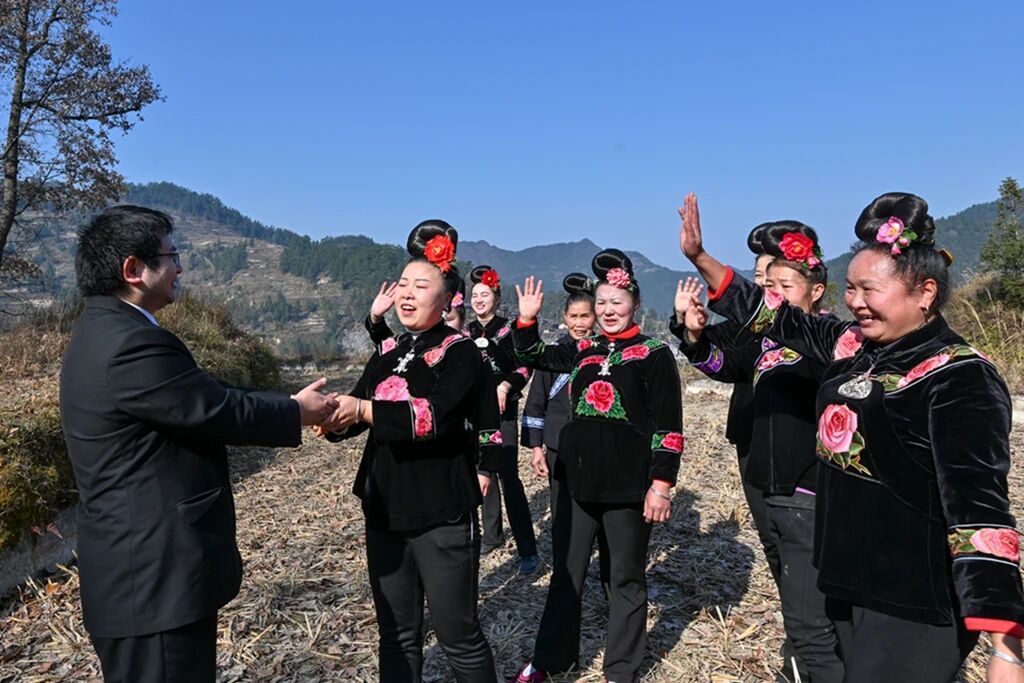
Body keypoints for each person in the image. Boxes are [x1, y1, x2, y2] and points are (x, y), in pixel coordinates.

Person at [679, 191, 1024, 682]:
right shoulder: (854, 346)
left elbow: (979, 506)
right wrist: (700, 257)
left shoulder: (958, 376)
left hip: (913, 597)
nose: (855, 302)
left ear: (925, 293)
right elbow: (774, 315)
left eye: (870, 290)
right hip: (847, 578)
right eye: (851, 288)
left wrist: (1006, 646)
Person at [59, 206, 338, 683]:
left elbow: (201, 393)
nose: (181, 267)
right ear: (133, 269)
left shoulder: (106, 329)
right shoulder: (129, 344)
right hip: (153, 578)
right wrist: (297, 413)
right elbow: (214, 410)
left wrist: (290, 403)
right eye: (172, 256)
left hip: (138, 574)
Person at [317, 220, 498, 683]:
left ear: (448, 298)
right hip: (384, 507)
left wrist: (363, 409)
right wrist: (330, 418)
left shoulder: (461, 353)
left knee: (458, 635)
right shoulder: (389, 350)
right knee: (396, 634)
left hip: (441, 509)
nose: (407, 294)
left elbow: (433, 417)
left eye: (421, 285)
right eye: (403, 284)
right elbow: (359, 408)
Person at [675, 222, 844, 682]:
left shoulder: (831, 337)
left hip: (808, 478)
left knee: (811, 572)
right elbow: (724, 364)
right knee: (779, 553)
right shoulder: (765, 340)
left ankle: (814, 647)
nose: (774, 294)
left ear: (816, 291)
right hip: (764, 466)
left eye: (784, 286)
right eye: (769, 286)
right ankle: (800, 638)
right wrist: (695, 338)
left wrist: (702, 258)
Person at [511, 249, 683, 683]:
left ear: (635, 304)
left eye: (616, 302)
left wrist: (661, 485)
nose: (607, 310)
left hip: (628, 485)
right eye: (601, 302)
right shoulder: (582, 350)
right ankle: (552, 659)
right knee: (567, 573)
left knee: (625, 576)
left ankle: (620, 669)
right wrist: (526, 320)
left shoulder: (654, 354)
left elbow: (669, 427)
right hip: (576, 482)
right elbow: (534, 355)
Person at [521, 273, 609, 595]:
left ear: (595, 317)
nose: (579, 323)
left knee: (599, 513)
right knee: (562, 512)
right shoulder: (554, 353)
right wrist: (536, 449)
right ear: (564, 317)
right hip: (558, 447)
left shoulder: (606, 352)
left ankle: (603, 575)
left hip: (598, 448)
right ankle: (565, 572)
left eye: (585, 316)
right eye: (574, 316)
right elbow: (536, 403)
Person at [467, 265, 540, 573]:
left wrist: (506, 385)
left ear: (496, 298)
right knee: (482, 473)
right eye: (474, 295)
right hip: (474, 414)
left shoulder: (509, 330)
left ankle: (527, 549)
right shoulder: (466, 333)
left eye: (484, 294)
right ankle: (492, 535)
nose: (479, 300)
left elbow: (525, 366)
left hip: (503, 411)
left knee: (508, 477)